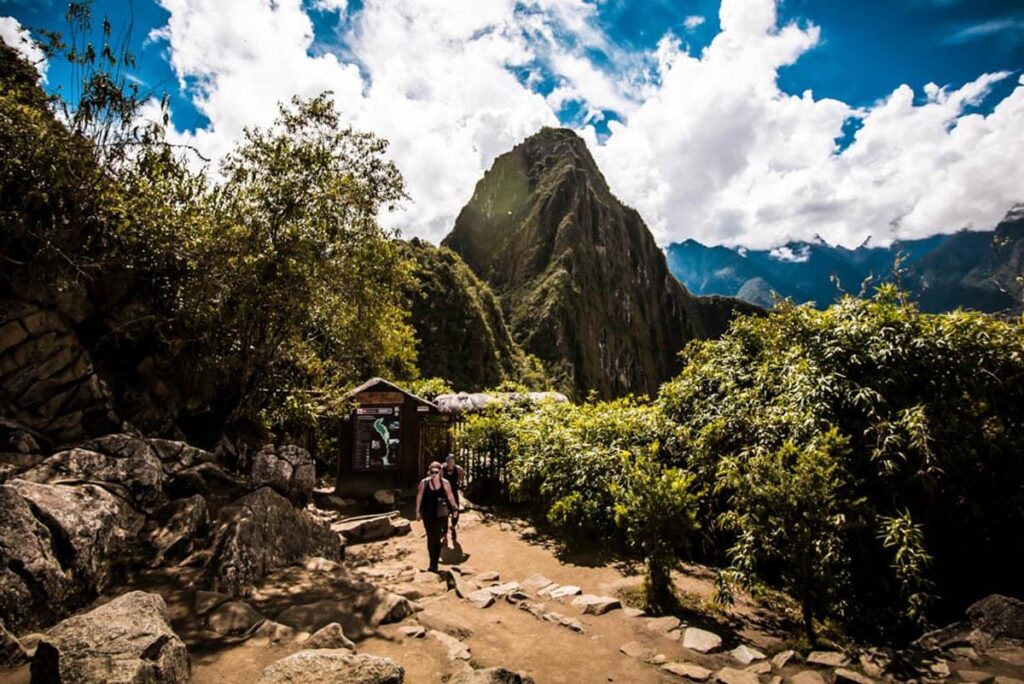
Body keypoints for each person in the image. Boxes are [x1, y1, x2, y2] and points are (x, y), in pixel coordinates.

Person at [414, 460, 458, 572]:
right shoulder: (424, 483)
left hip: (441, 514)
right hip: (428, 513)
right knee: (431, 537)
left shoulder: (445, 483)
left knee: (436, 536)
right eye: (431, 472)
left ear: (440, 472)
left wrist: (454, 508)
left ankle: (434, 564)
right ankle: (432, 560)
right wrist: (417, 511)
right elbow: (419, 496)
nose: (434, 474)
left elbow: (450, 496)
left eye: (436, 472)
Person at [441, 454, 465, 545]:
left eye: (452, 461)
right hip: (444, 494)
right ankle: (445, 534)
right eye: (449, 461)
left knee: (455, 511)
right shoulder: (442, 470)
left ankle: (453, 527)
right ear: (446, 462)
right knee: (444, 514)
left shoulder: (458, 469)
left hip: (454, 494)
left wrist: (460, 484)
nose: (451, 462)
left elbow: (461, 477)